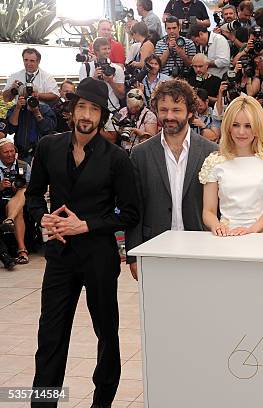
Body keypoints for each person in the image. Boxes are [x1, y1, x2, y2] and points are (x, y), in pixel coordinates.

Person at [25, 77, 139, 408]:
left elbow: (129, 213)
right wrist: (41, 218)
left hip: (99, 259)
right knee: (50, 337)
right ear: (72, 111)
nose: (87, 115)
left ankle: (101, 402)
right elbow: (33, 197)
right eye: (82, 108)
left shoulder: (117, 158)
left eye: (94, 109)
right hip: (59, 257)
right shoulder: (49, 146)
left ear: (102, 116)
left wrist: (86, 225)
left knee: (106, 334)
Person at [126, 80, 218, 280]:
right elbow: (135, 207)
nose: (169, 116)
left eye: (176, 110)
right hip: (154, 247)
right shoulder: (140, 153)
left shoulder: (211, 152)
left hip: (201, 247)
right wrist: (133, 255)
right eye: (163, 109)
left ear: (190, 112)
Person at [200, 95, 263, 235]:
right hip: (226, 237)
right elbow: (208, 211)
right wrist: (217, 226)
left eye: (248, 126)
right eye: (235, 125)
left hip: (261, 236)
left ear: (257, 127)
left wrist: (251, 230)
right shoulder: (214, 162)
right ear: (228, 127)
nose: (241, 132)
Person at [5, 85, 56, 163]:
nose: (29, 100)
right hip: (23, 154)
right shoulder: (15, 109)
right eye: (26, 97)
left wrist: (36, 111)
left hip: (42, 153)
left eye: (31, 96)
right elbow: (11, 129)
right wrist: (17, 109)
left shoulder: (45, 109)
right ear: (20, 96)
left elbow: (48, 129)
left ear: (36, 95)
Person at [0, 139, 31, 264]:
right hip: (1, 200)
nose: (10, 154)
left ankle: (9, 220)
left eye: (12, 151)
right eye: (6, 152)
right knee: (19, 210)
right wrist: (1, 186)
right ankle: (22, 250)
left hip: (19, 199)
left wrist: (21, 186)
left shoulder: (24, 166)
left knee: (23, 192)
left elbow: (34, 186)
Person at [79, 37, 126, 113]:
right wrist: (94, 79)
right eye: (104, 49)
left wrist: (111, 81)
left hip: (113, 109)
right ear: (96, 51)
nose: (108, 51)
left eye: (109, 48)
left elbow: (121, 95)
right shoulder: (86, 68)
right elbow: (81, 93)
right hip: (94, 109)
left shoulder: (117, 69)